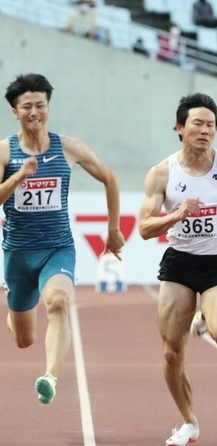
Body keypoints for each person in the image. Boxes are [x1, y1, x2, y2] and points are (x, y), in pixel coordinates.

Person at [138, 93, 217, 446]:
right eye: (198, 124)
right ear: (180, 128)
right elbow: (145, 228)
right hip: (179, 263)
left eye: (211, 125)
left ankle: (207, 317)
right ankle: (189, 421)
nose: (205, 130)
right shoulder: (163, 173)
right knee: (171, 352)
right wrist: (177, 214)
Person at [0, 73, 124, 405]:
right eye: (27, 106)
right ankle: (16, 309)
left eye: (40, 105)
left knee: (58, 302)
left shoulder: (68, 147)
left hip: (57, 248)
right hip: (17, 254)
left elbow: (110, 179)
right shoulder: (4, 152)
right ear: (15, 112)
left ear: (48, 107)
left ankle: (50, 376)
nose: (35, 112)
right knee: (24, 339)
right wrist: (18, 177)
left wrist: (112, 229)